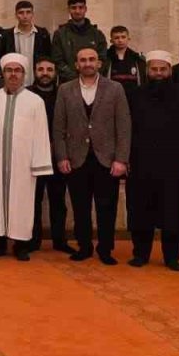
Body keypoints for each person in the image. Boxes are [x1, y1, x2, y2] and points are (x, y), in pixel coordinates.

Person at [52, 47, 131, 264]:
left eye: (91, 59)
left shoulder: (115, 89)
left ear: (99, 63)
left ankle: (106, 249)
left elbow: (124, 127)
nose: (87, 63)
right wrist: (62, 157)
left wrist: (121, 159)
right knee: (80, 206)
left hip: (106, 159)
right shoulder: (65, 90)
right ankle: (84, 246)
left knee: (107, 207)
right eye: (82, 60)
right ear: (76, 64)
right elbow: (58, 128)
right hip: (76, 158)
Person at [126, 51, 179, 271]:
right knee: (141, 209)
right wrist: (125, 158)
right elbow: (126, 129)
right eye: (154, 69)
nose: (158, 73)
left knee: (174, 211)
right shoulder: (135, 95)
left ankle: (172, 257)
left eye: (163, 69)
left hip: (175, 164)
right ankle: (140, 254)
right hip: (141, 162)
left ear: (170, 71)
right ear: (147, 71)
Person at [0, 54, 53, 261]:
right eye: (9, 70)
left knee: (23, 204)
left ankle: (22, 246)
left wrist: (39, 164)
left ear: (24, 74)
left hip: (24, 164)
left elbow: (42, 134)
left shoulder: (35, 101)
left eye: (17, 71)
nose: (13, 74)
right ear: (2, 73)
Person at [28, 58, 74, 254]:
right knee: (33, 200)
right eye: (40, 69)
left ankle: (59, 240)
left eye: (49, 69)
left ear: (55, 72)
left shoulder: (63, 93)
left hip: (57, 156)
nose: (44, 73)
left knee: (58, 200)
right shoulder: (26, 94)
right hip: (32, 155)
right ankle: (33, 240)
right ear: (34, 71)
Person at [51, 0, 109, 83]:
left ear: (85, 9)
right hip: (68, 83)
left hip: (93, 82)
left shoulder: (97, 34)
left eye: (80, 7)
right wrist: (76, 78)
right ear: (68, 10)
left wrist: (89, 75)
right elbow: (57, 60)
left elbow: (102, 60)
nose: (77, 11)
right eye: (73, 8)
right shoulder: (60, 34)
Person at [11, 1, 52, 86]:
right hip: (14, 82)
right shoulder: (7, 35)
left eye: (28, 12)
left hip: (37, 83)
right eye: (21, 13)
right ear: (16, 15)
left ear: (32, 14)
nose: (25, 16)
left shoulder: (43, 34)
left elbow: (48, 57)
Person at [102, 26, 146, 91]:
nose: (120, 40)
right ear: (111, 40)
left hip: (133, 96)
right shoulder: (105, 58)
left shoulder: (137, 58)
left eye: (123, 37)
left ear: (128, 38)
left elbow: (142, 80)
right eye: (116, 38)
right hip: (112, 95)